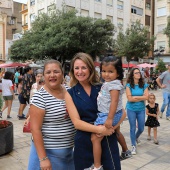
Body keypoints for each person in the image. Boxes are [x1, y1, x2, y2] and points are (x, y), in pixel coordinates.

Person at [65, 52, 121, 170]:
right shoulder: (70, 93)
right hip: (84, 142)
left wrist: (111, 129)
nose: (80, 71)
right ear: (72, 71)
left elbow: (121, 111)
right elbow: (76, 122)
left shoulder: (103, 87)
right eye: (76, 68)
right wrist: (101, 130)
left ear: (90, 68)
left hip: (107, 138)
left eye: (84, 67)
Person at [28, 60, 75, 170]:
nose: (52, 75)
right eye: (48, 72)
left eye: (56, 71)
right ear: (44, 75)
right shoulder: (39, 97)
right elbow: (35, 129)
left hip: (68, 154)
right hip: (47, 154)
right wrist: (43, 159)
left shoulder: (70, 92)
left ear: (62, 74)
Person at [86, 56, 130, 170]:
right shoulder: (108, 83)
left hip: (108, 115)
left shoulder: (114, 85)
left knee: (95, 138)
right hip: (107, 114)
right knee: (99, 137)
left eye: (110, 71)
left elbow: (114, 102)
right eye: (104, 71)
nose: (106, 74)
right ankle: (125, 151)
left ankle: (97, 166)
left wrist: (109, 119)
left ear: (118, 72)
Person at [126, 68, 149, 155]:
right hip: (131, 109)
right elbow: (129, 99)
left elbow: (147, 97)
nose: (138, 74)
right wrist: (141, 97)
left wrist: (136, 97)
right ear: (132, 75)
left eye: (139, 73)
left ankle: (135, 138)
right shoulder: (128, 85)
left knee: (141, 128)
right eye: (136, 73)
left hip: (141, 109)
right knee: (132, 128)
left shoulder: (144, 85)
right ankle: (133, 146)